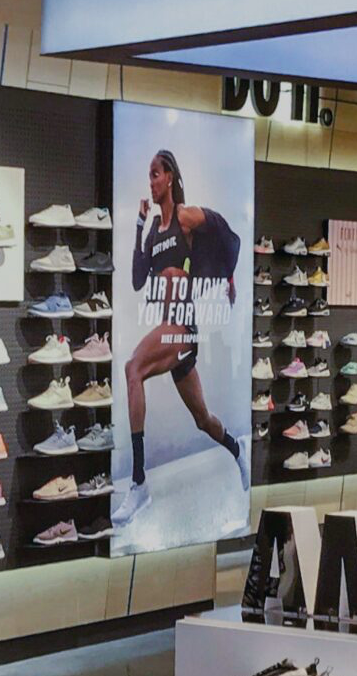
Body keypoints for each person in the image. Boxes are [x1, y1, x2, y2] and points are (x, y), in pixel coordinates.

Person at [112, 150, 249, 528]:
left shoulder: (186, 218)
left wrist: (228, 275)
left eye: (156, 174)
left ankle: (139, 483)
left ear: (170, 177)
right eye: (149, 175)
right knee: (202, 419)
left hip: (183, 328)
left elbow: (223, 233)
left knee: (133, 368)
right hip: (170, 333)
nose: (151, 182)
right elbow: (137, 279)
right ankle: (237, 449)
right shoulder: (154, 230)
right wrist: (139, 225)